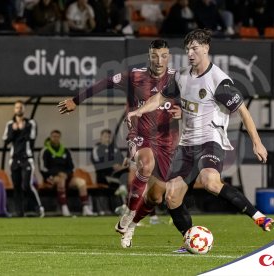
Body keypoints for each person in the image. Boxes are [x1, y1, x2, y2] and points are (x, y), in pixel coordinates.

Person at [126, 29, 274, 252]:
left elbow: (243, 111)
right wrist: (140, 111)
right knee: (172, 196)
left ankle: (258, 216)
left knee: (210, 181)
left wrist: (257, 142)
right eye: (187, 49)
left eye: (195, 48)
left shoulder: (219, 81)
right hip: (186, 145)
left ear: (206, 49)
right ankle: (190, 241)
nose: (190, 53)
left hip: (210, 141)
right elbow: (161, 97)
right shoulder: (181, 76)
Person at [57, 39, 181, 248]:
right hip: (140, 134)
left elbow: (195, 103)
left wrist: (183, 112)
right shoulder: (135, 76)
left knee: (157, 197)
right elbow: (102, 83)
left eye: (163, 56)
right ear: (149, 56)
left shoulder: (179, 78)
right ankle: (130, 210)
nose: (159, 61)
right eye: (154, 56)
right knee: (146, 164)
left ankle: (131, 222)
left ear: (169, 56)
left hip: (167, 140)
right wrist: (76, 101)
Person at [2, 100, 45, 217]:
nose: (19, 109)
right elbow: (6, 140)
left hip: (27, 158)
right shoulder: (10, 124)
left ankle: (39, 207)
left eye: (21, 107)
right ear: (14, 109)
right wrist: (14, 131)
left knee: (27, 185)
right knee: (16, 186)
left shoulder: (31, 123)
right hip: (14, 159)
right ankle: (19, 212)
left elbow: (31, 138)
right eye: (16, 107)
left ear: (24, 109)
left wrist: (22, 129)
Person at [39, 129, 94, 216]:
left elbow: (72, 167)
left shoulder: (65, 150)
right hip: (51, 178)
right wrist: (57, 173)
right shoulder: (45, 151)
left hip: (66, 177)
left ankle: (85, 208)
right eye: (53, 137)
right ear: (50, 137)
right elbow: (42, 168)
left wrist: (66, 174)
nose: (55, 138)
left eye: (57, 137)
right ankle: (64, 207)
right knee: (61, 180)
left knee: (82, 182)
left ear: (60, 137)